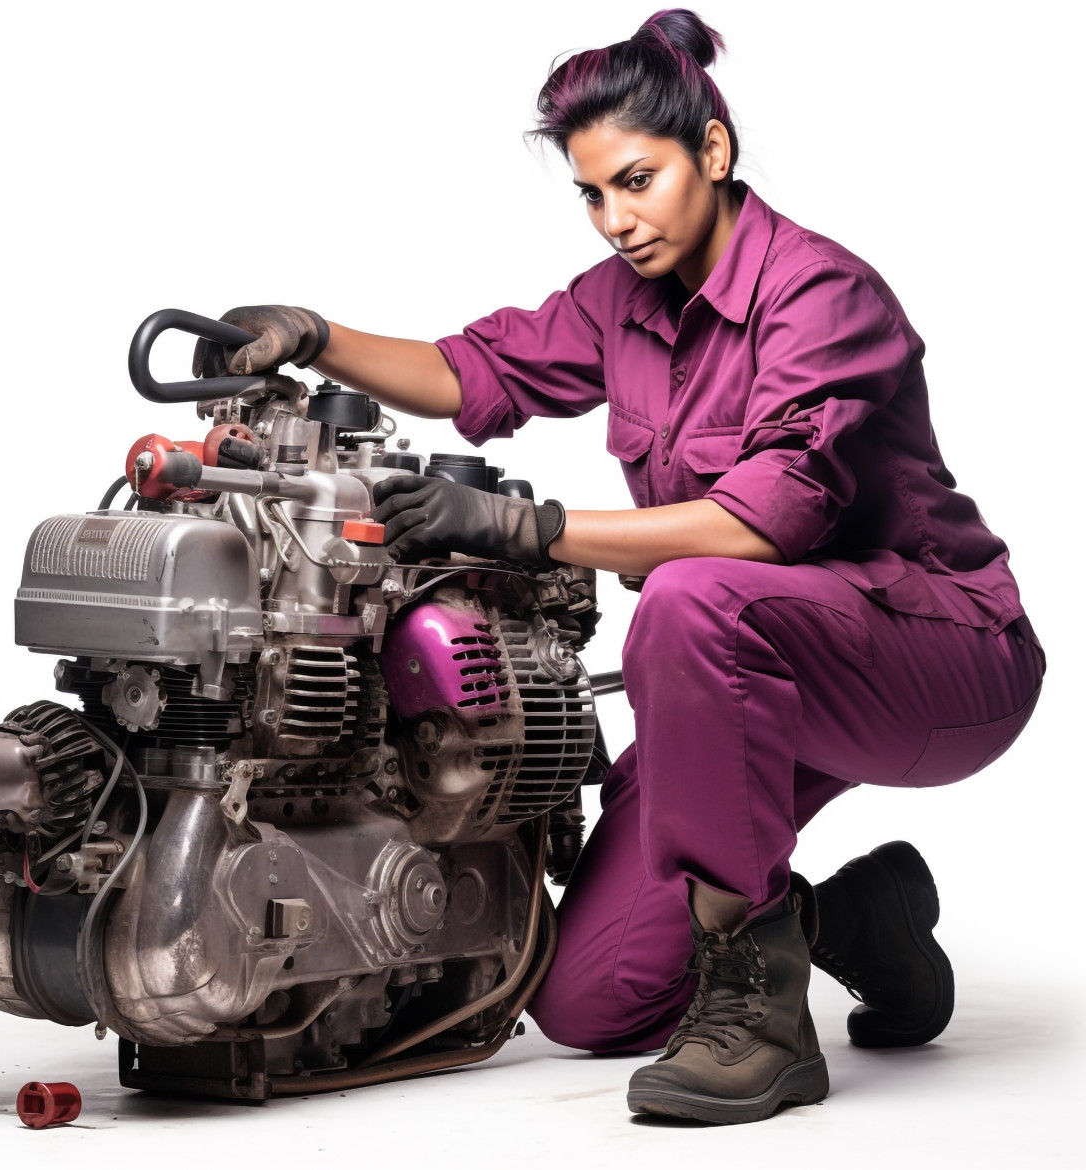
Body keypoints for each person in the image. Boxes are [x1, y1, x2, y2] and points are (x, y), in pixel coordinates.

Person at [192, 8, 1045, 1125]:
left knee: (691, 595)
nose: (616, 220)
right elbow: (472, 370)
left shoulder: (821, 296)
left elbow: (756, 528)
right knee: (589, 998)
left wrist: (527, 529)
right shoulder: (622, 300)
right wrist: (315, 334)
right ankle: (852, 922)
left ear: (713, 152)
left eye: (637, 182)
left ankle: (765, 1029)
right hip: (748, 679)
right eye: (593, 195)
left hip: (937, 662)